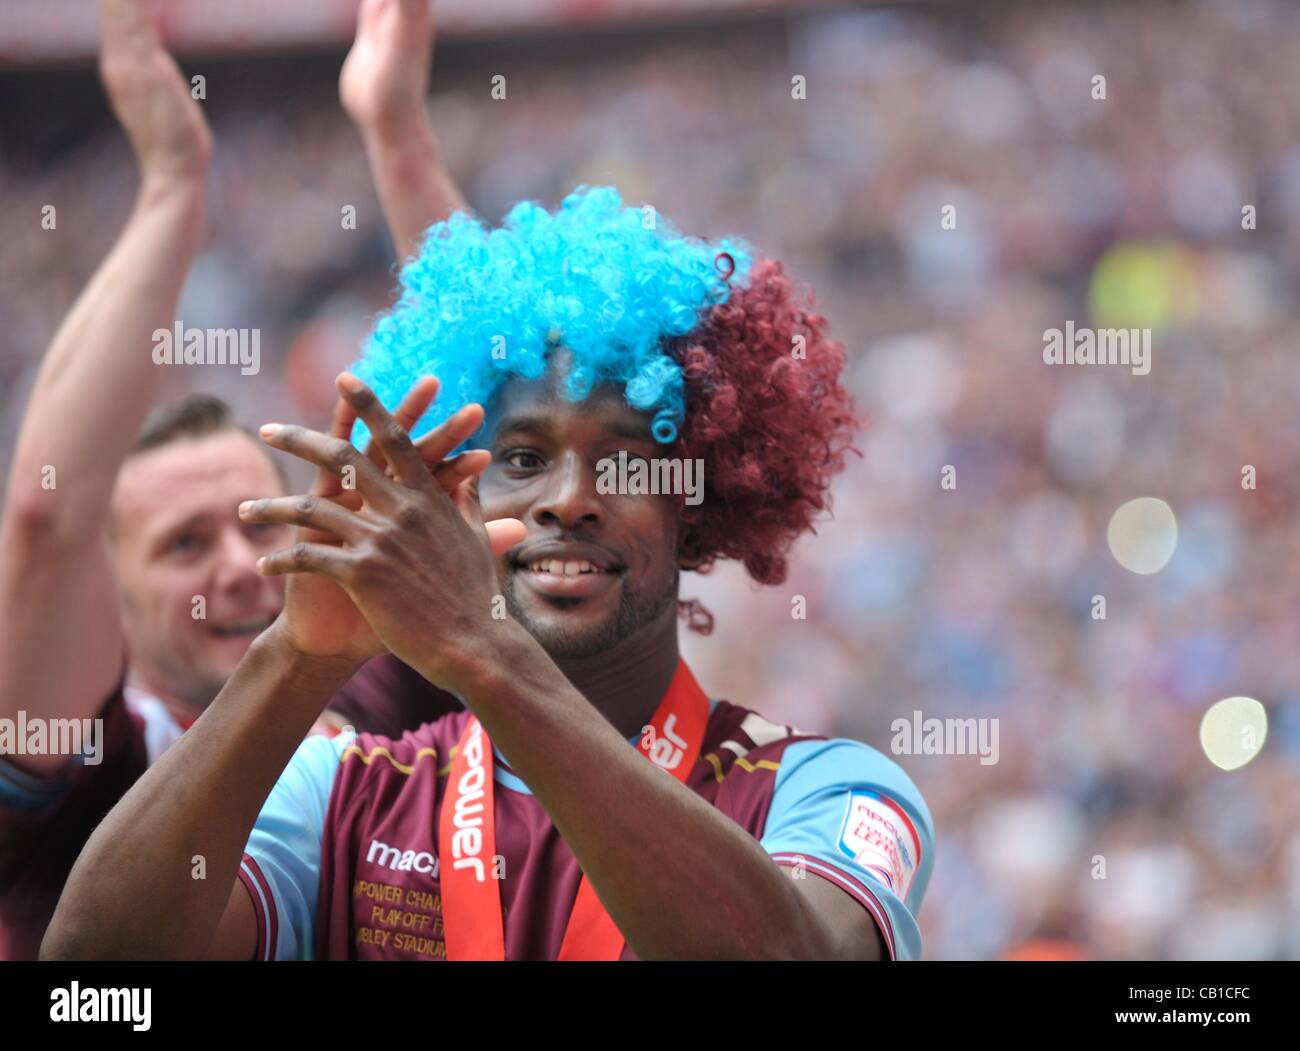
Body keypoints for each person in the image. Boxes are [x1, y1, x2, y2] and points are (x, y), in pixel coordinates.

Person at [45, 186, 935, 961]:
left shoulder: (824, 790)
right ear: (453, 498)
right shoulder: (345, 793)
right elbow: (92, 977)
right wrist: (297, 653)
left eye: (626, 462)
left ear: (693, 505)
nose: (569, 499)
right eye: (520, 456)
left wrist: (484, 649)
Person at [0, 0, 490, 958]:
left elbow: (504, 435)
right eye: (183, 542)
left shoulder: (380, 690)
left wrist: (395, 134)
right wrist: (173, 182)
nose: (238, 566)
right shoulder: (93, 766)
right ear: (109, 598)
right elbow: (46, 519)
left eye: (259, 521)